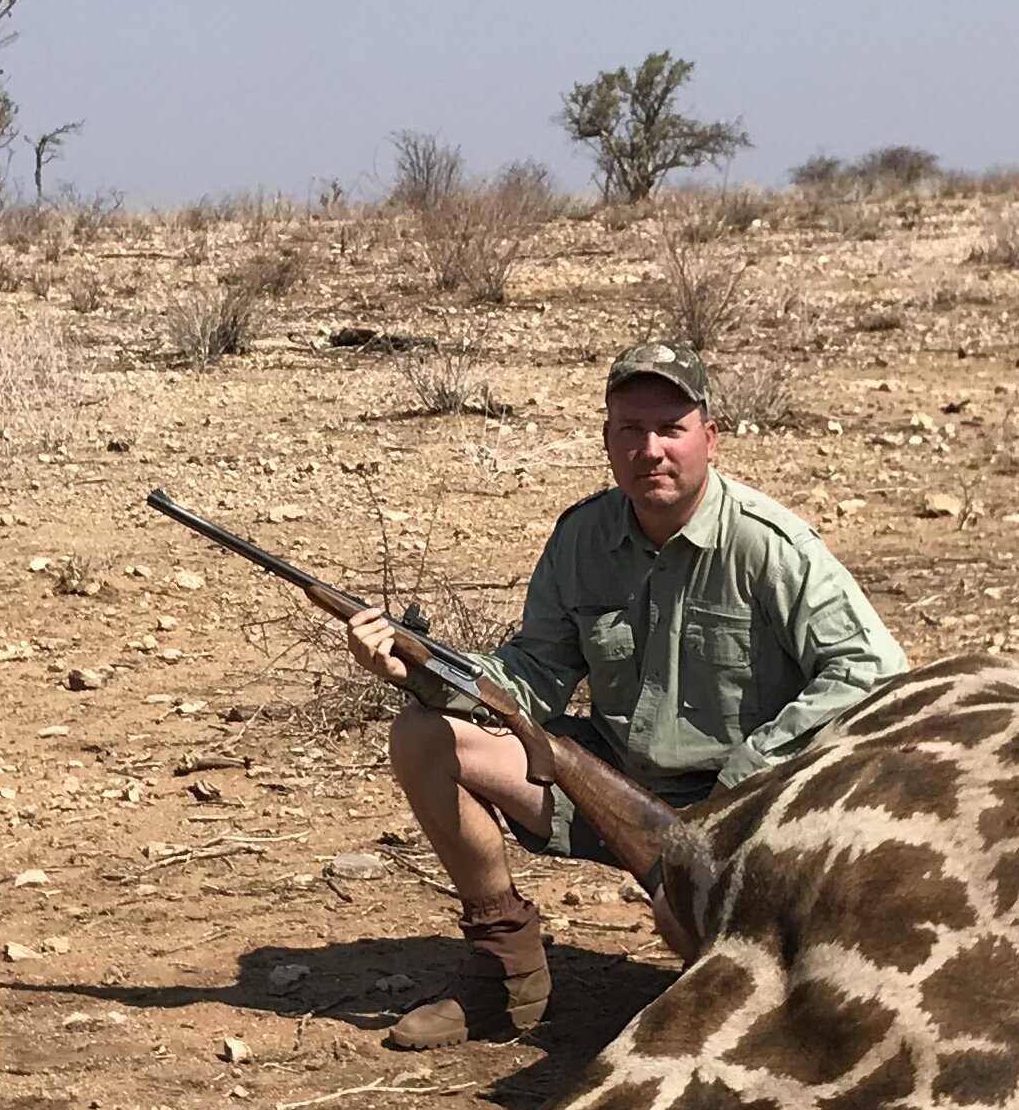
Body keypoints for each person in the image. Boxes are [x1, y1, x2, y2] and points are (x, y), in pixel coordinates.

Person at [345, 341, 906, 1042]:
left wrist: (747, 777)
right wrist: (419, 671)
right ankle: (503, 973)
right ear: (607, 440)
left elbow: (873, 670)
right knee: (425, 736)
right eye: (631, 430)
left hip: (748, 812)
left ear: (710, 437)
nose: (652, 450)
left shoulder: (770, 544)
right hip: (609, 786)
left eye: (671, 428)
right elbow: (531, 679)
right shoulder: (581, 538)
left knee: (686, 931)